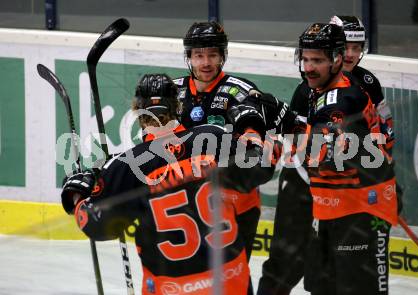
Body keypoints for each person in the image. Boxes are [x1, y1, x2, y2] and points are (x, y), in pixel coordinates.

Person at [60, 74, 276, 295]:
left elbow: (96, 225)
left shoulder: (126, 166)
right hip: (229, 280)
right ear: (178, 106)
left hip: (170, 287)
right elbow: (261, 168)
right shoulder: (213, 137)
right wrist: (251, 128)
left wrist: (78, 197)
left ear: (137, 112)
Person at [257, 16, 399, 295]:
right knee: (317, 275)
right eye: (307, 59)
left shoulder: (350, 93)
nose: (350, 54)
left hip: (356, 198)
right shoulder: (313, 88)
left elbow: (329, 146)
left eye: (355, 47)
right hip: (325, 191)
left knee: (356, 279)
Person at [174, 21, 266, 268]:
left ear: (223, 55)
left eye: (213, 55)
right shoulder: (173, 92)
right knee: (194, 277)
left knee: (233, 275)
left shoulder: (241, 90)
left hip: (234, 200)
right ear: (189, 57)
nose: (205, 63)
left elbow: (253, 137)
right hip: (188, 200)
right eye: (199, 55)